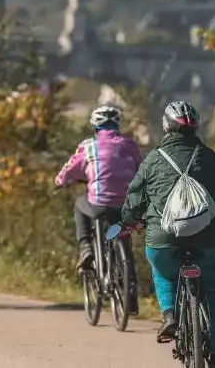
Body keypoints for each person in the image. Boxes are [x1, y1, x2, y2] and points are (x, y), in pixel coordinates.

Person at [122, 100, 215, 368]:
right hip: (212, 241)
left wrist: (131, 220)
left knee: (162, 270)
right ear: (195, 128)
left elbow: (134, 199)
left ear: (166, 127)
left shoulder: (152, 160)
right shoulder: (210, 157)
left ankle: (169, 315)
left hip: (165, 241)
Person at [55, 105, 142, 312]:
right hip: (124, 206)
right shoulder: (130, 145)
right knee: (123, 238)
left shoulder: (88, 146)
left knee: (79, 204)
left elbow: (70, 170)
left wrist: (59, 181)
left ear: (95, 126)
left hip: (98, 203)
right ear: (117, 125)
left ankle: (86, 246)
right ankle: (130, 298)